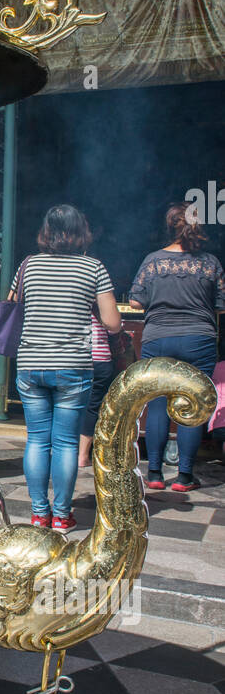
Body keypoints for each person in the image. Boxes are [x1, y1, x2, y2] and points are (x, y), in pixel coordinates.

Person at [10, 205, 122, 530]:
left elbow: (12, 304)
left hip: (30, 364)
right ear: (80, 232)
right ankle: (61, 516)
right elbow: (113, 323)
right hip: (73, 366)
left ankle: (38, 514)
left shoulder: (28, 265)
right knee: (65, 443)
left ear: (46, 231)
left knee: (36, 440)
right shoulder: (94, 268)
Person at [128, 201, 225, 492]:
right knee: (193, 405)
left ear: (169, 227)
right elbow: (221, 304)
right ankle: (184, 477)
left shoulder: (153, 261)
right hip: (199, 340)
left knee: (157, 402)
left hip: (158, 339)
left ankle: (155, 474)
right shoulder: (210, 263)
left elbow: (135, 300)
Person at [77, 309, 116, 468]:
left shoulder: (72, 300)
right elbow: (115, 327)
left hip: (75, 359)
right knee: (92, 408)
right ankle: (83, 455)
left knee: (70, 405)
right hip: (100, 359)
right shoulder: (101, 302)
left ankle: (67, 451)